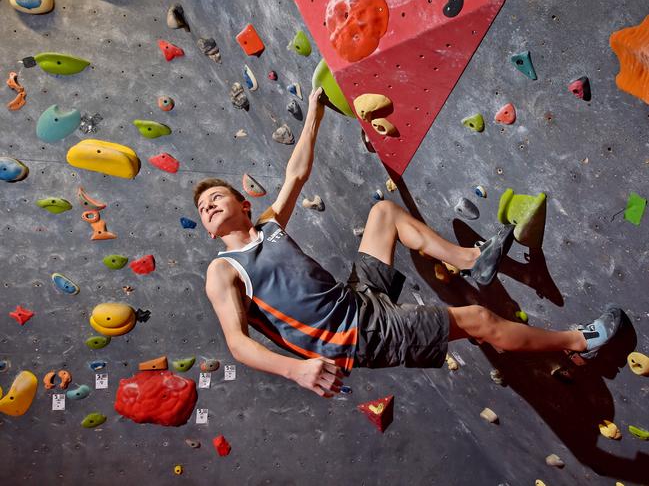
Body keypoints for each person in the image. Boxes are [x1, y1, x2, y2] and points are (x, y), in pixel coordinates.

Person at [194, 87, 622, 398]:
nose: (209, 206)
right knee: (476, 318)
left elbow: (296, 175)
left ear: (243, 205)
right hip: (356, 336)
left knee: (384, 214)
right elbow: (238, 342)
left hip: (354, 298)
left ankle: (472, 260)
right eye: (203, 209)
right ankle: (580, 343)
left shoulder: (268, 226)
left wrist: (314, 111)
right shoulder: (225, 269)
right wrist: (295, 371)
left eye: (216, 197)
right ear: (211, 231)